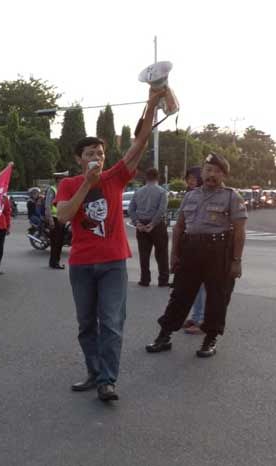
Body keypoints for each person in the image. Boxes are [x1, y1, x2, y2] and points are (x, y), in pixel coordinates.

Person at [55, 88, 165, 401]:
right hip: (81, 264)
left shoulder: (116, 177)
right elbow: (62, 217)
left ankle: (107, 380)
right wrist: (86, 186)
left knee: (112, 323)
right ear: (79, 159)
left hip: (114, 262)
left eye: (100, 154)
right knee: (86, 324)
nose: (96, 158)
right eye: (90, 154)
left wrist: (152, 103)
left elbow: (139, 144)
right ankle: (93, 371)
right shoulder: (68, 184)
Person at [145, 153, 247, 358]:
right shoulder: (190, 196)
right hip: (190, 251)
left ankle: (210, 339)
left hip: (219, 253)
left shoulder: (231, 197)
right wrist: (174, 255)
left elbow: (239, 231)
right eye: (208, 170)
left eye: (217, 172)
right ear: (202, 172)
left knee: (217, 298)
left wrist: (236, 261)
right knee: (180, 295)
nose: (212, 175)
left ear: (224, 175)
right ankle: (164, 336)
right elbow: (179, 227)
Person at [128, 168, 169, 287]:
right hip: (157, 226)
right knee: (162, 253)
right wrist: (153, 223)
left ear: (146, 178)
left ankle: (145, 279)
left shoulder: (138, 192)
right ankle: (163, 280)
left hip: (141, 224)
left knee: (144, 254)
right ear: (158, 178)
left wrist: (137, 223)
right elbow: (161, 210)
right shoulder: (162, 192)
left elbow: (131, 209)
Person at [182, 166, 206, 335]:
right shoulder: (189, 195)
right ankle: (196, 316)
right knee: (194, 286)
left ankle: (201, 319)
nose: (190, 181)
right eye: (188, 178)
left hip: (206, 247)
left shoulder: (207, 196)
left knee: (202, 286)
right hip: (190, 246)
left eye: (193, 178)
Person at [45, 172, 68, 270]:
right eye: (63, 179)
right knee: (55, 242)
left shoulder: (61, 190)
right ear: (58, 180)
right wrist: (50, 220)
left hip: (61, 219)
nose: (65, 180)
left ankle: (55, 261)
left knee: (59, 242)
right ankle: (54, 262)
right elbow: (47, 205)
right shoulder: (53, 190)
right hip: (54, 219)